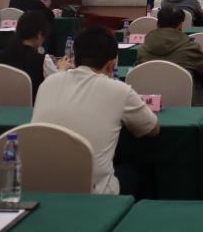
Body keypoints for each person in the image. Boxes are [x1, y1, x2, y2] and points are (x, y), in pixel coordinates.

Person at [33, 26, 159, 194]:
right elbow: (152, 128)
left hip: (41, 187)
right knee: (143, 170)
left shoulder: (48, 83)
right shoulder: (119, 90)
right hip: (93, 193)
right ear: (110, 65)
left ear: (75, 59)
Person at [136, 5, 203, 104]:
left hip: (150, 105)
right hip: (187, 105)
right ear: (180, 25)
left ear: (157, 24)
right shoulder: (190, 48)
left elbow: (136, 73)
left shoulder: (142, 49)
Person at [0, 10, 66, 100]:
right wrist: (62, 69)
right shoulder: (42, 61)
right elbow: (57, 85)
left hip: (0, 106)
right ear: (39, 35)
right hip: (32, 107)